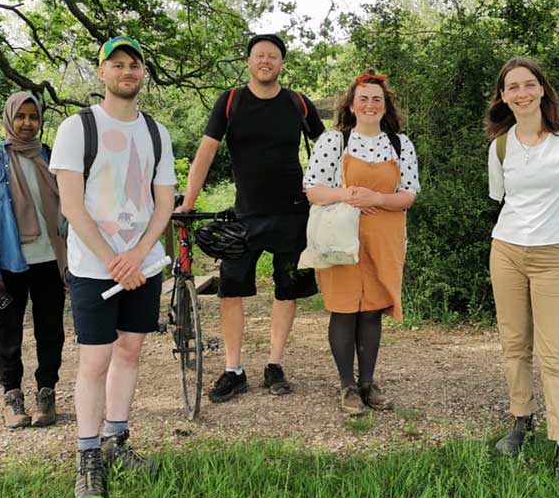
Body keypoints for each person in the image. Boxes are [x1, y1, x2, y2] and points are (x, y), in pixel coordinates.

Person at [49, 36, 177, 498]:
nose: (128, 71)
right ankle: (87, 459)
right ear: (101, 73)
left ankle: (116, 441)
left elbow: (164, 203)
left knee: (130, 351)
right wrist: (111, 260)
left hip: (142, 265)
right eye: (118, 64)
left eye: (135, 65)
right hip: (93, 265)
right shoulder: (77, 128)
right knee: (95, 360)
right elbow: (71, 204)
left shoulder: (157, 133)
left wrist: (138, 254)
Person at [177, 33, 325, 403]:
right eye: (259, 55)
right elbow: (206, 153)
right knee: (231, 291)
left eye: (273, 56)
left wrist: (332, 196)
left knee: (287, 290)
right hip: (244, 215)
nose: (265, 61)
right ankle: (233, 370)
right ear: (248, 61)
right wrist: (188, 202)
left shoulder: (297, 103)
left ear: (281, 64)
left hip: (294, 213)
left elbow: (328, 151)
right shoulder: (229, 102)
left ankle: (275, 364)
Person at [485, 57, 559, 494]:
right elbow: (503, 200)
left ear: (542, 89)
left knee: (555, 354)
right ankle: (521, 419)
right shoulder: (500, 146)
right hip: (508, 252)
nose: (521, 93)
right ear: (503, 96)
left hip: (557, 254)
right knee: (514, 343)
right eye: (512, 87)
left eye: (528, 84)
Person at [303, 70, 420, 415]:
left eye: (376, 100)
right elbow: (313, 190)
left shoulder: (400, 144)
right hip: (341, 236)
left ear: (386, 107)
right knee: (343, 310)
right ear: (352, 105)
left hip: (384, 239)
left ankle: (368, 383)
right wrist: (352, 194)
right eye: (363, 98)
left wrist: (378, 198)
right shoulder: (334, 142)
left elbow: (409, 195)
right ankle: (347, 386)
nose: (370, 105)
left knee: (371, 312)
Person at [0, 91, 67, 430]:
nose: (27, 123)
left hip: (50, 261)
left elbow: (67, 210)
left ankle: (47, 392)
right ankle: (12, 396)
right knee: (7, 332)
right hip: (10, 264)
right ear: (9, 119)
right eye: (21, 117)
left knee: (50, 331)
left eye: (34, 117)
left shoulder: (52, 157)